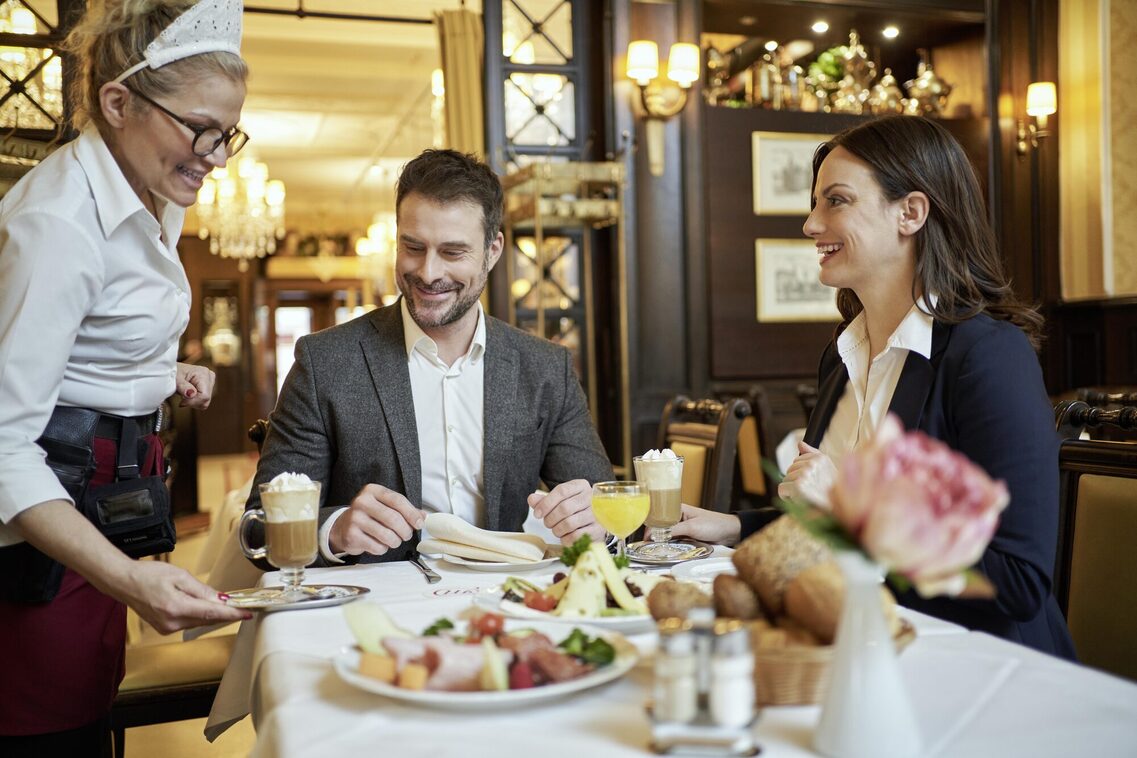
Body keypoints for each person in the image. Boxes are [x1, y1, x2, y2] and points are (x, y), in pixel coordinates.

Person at [672, 115, 1075, 659]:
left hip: (983, 667)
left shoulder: (987, 357)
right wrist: (732, 526)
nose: (812, 225)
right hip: (865, 650)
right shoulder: (842, 355)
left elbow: (1017, 581)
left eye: (835, 201)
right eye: (816, 204)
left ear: (910, 213)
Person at [0, 0, 253, 751]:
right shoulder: (58, 224)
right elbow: (4, 446)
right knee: (47, 726)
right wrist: (125, 577)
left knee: (89, 705)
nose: (214, 152)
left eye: (227, 132)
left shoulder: (148, 189)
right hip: (44, 530)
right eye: (199, 127)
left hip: (99, 500)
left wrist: (157, 369)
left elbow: (77, 341)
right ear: (118, 102)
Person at [245, 149, 613, 567]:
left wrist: (596, 517)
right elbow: (259, 528)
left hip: (505, 602)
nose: (428, 272)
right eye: (413, 247)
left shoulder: (546, 368)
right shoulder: (324, 363)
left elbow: (608, 507)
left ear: (492, 251)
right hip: (373, 608)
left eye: (453, 252)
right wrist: (336, 529)